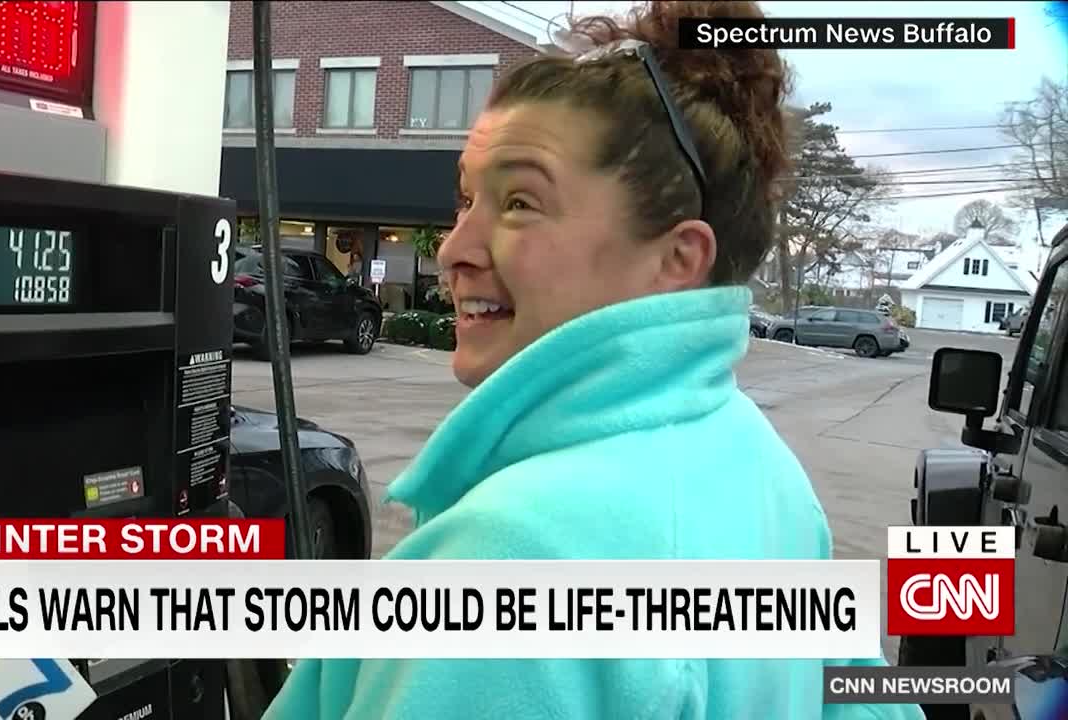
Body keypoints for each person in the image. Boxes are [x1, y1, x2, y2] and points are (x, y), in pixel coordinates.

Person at [264, 2, 925, 719]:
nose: (454, 248)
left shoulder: (515, 554)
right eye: (464, 200)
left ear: (676, 259)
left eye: (519, 202)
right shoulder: (761, 467)